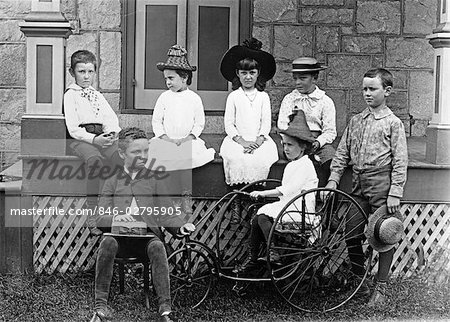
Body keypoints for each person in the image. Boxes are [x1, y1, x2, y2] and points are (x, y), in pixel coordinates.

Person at [90, 127, 195, 322]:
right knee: (107, 243)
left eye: (146, 151)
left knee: (158, 246)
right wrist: (118, 219)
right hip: (119, 240)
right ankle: (100, 307)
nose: (143, 156)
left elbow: (166, 212)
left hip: (146, 239)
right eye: (136, 152)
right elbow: (100, 217)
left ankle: (165, 310)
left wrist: (180, 226)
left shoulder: (154, 178)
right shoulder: (111, 179)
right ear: (122, 154)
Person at [324, 68, 408, 307]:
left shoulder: (393, 123)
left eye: (373, 89)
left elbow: (401, 160)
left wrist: (395, 192)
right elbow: (342, 153)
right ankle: (358, 281)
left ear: (387, 91)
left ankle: (380, 288)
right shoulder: (356, 121)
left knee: (384, 233)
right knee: (350, 230)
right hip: (358, 184)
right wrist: (333, 178)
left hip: (382, 184)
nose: (367, 94)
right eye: (365, 89)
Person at [236, 110, 319, 273]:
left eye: (290, 145)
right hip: (288, 205)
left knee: (262, 215)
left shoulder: (305, 165)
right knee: (258, 215)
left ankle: (273, 252)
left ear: (302, 147)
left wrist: (263, 193)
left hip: (300, 211)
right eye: (284, 144)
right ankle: (254, 257)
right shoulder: (293, 164)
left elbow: (288, 189)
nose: (285, 149)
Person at [148, 44, 215, 215]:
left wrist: (189, 137)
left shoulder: (194, 99)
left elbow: (199, 123)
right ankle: (165, 199)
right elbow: (157, 121)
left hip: (187, 140)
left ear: (184, 78)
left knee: (186, 159)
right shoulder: (164, 97)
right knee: (159, 157)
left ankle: (185, 198)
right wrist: (165, 138)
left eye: (171, 78)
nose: (168, 82)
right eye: (166, 79)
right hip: (167, 139)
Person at [64, 50, 122, 236]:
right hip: (80, 139)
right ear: (72, 72)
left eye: (90, 71)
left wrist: (110, 135)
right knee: (96, 162)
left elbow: (110, 118)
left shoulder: (96, 94)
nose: (86, 76)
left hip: (101, 137)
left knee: (118, 159)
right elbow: (73, 128)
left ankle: (113, 208)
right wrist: (94, 139)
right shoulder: (70, 95)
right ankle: (92, 213)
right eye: (81, 72)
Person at [219, 38, 279, 219]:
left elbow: (265, 123)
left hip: (259, 139)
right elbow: (229, 123)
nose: (248, 77)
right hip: (238, 139)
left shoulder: (262, 97)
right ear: (237, 73)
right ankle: (237, 199)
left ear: (258, 73)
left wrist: (259, 140)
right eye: (244, 73)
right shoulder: (234, 97)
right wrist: (241, 141)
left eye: (252, 73)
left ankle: (255, 201)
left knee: (261, 159)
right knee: (235, 157)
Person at [277, 57, 336, 187]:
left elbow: (330, 131)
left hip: (317, 142)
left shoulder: (325, 101)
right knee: (301, 162)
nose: (297, 82)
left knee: (330, 159)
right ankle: (294, 194)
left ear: (314, 78)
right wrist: (295, 137)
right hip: (295, 140)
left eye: (302, 78)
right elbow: (282, 124)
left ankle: (325, 195)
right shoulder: (290, 99)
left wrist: (318, 142)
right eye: (295, 78)